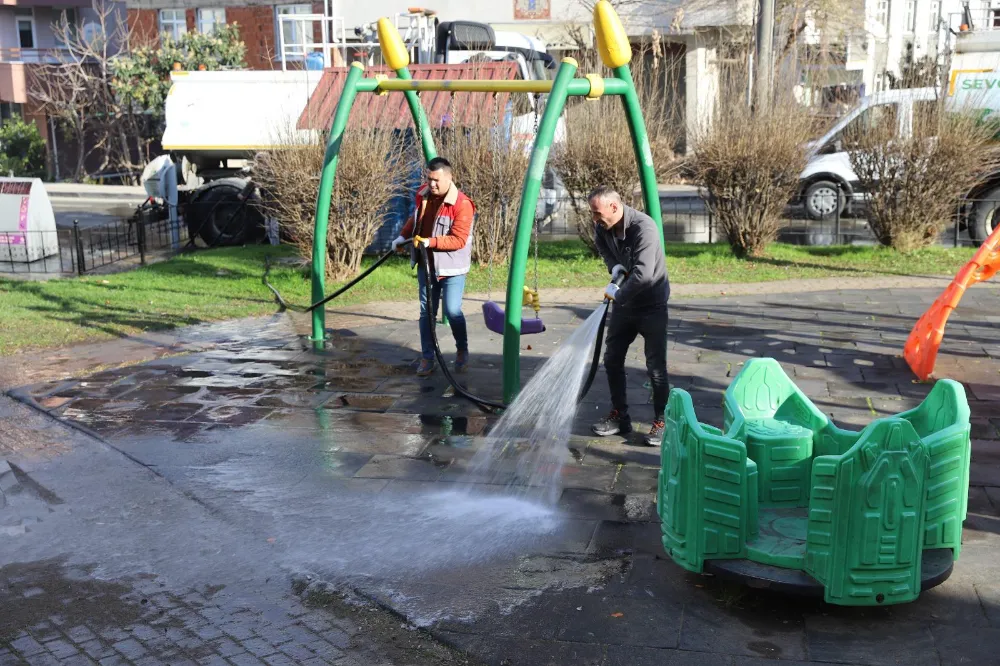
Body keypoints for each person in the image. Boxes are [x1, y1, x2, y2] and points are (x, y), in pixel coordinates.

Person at [588, 185, 671, 446]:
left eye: (597, 212)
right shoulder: (602, 227)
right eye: (593, 213)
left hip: (651, 304)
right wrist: (615, 267)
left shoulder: (643, 228)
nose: (595, 219)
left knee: (655, 368)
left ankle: (662, 421)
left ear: (614, 207)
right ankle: (620, 416)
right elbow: (604, 250)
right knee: (612, 359)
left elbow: (644, 275)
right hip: (625, 305)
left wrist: (617, 296)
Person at [391, 157, 475, 377]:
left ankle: (462, 349)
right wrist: (402, 236)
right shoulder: (423, 194)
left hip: (452, 267)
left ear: (449, 177)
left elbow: (458, 239)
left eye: (436, 180)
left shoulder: (462, 204)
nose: (432, 184)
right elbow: (415, 218)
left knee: (452, 310)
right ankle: (428, 358)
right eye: (429, 179)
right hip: (426, 264)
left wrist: (431, 241)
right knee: (426, 312)